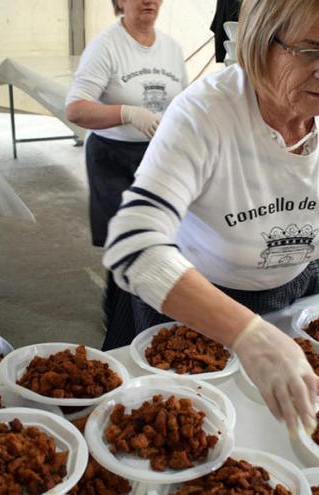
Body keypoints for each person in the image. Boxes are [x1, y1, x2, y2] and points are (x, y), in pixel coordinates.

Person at [103, 0, 319, 434]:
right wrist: (249, 335)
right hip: (189, 308)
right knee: (180, 435)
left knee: (264, 434)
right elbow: (133, 246)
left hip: (288, 298)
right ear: (259, 42)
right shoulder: (204, 114)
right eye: (310, 50)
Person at [65, 0, 189, 350]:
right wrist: (127, 113)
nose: (148, 1)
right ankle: (119, 320)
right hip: (114, 156)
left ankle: (151, 309)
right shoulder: (107, 46)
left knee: (163, 234)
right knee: (128, 240)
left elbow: (184, 101)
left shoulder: (171, 48)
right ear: (120, 1)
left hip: (157, 153)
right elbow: (76, 108)